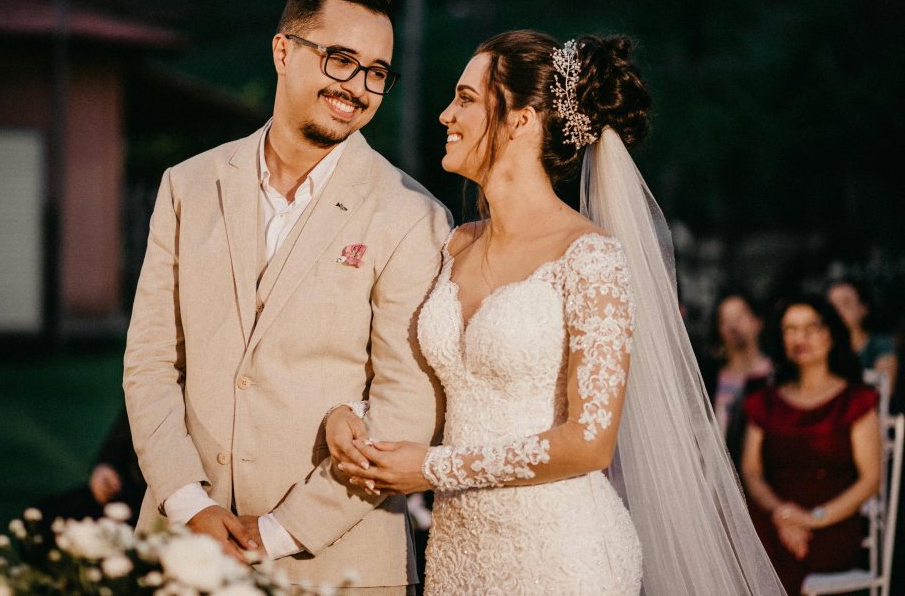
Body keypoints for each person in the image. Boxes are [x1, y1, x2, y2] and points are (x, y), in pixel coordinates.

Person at [326, 30, 785, 594]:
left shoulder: (590, 258)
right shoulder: (453, 245)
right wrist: (350, 413)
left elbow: (589, 441)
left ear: (521, 120)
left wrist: (432, 469)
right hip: (458, 553)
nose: (446, 114)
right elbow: (419, 382)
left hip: (562, 554)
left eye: (466, 98)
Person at [123, 0, 450, 594]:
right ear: (283, 51)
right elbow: (151, 362)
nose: (356, 87)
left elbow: (405, 406)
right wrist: (189, 504)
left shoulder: (412, 215)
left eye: (376, 71)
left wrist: (273, 534)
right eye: (340, 59)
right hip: (181, 551)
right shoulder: (188, 186)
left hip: (336, 563)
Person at [741, 294, 880, 595]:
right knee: (741, 530)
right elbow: (751, 471)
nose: (799, 337)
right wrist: (783, 514)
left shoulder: (855, 400)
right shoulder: (764, 402)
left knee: (760, 550)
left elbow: (871, 480)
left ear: (831, 332)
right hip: (773, 517)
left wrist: (813, 518)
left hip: (832, 524)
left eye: (811, 327)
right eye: (790, 329)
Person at [36, 407, 146, 531]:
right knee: (41, 517)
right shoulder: (146, 391)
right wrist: (106, 465)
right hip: (123, 489)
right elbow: (123, 433)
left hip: (152, 502)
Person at [710, 291, 774, 464]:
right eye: (725, 321)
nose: (732, 326)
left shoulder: (774, 376)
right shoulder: (711, 379)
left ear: (758, 321)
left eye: (739, 317)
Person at [827, 278, 898, 396]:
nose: (837, 311)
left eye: (846, 303)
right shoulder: (822, 347)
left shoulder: (880, 344)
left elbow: (884, 388)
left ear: (863, 309)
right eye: (832, 306)